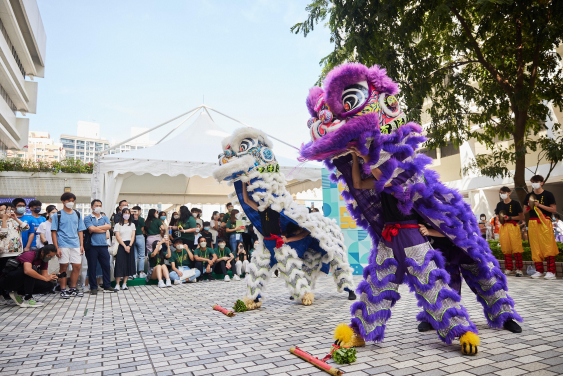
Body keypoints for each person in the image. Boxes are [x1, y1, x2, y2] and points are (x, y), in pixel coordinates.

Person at [51, 192, 86, 299]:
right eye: (68, 201)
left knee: (77, 266)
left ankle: (72, 288)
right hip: (63, 244)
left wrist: (81, 245)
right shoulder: (57, 215)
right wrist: (56, 248)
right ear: (63, 201)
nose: (71, 203)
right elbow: (54, 232)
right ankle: (62, 289)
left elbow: (80, 230)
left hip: (75, 244)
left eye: (72, 201)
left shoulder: (77, 214)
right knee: (63, 267)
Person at [523, 175, 559, 280]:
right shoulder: (529, 195)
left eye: (537, 181)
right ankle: (539, 270)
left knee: (548, 246)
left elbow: (553, 210)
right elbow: (525, 211)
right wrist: (531, 205)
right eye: (533, 182)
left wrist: (539, 205)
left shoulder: (548, 194)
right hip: (533, 222)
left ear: (542, 182)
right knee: (535, 246)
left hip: (545, 221)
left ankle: (551, 271)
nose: (535, 183)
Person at [84, 199, 116, 294]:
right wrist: (102, 228)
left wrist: (95, 228)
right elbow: (90, 228)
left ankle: (107, 285)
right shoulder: (87, 218)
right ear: (92, 207)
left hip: (103, 245)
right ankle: (93, 287)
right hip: (92, 246)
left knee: (106, 266)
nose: (98, 207)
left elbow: (109, 227)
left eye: (100, 205)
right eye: (96, 205)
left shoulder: (105, 218)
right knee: (92, 267)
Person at [495, 186, 525, 277]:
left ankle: (519, 269)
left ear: (509, 193)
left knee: (516, 247)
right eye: (501, 193)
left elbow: (521, 217)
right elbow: (497, 216)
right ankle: (509, 268)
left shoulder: (515, 203)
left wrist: (510, 218)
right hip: (503, 227)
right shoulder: (499, 205)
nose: (502, 194)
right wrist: (501, 218)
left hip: (513, 226)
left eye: (504, 192)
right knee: (505, 248)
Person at [113, 208, 136, 290]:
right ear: (122, 214)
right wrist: (124, 246)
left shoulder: (132, 225)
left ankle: (125, 283)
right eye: (125, 213)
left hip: (130, 245)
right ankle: (117, 284)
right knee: (119, 264)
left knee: (128, 263)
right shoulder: (118, 224)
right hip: (121, 245)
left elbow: (133, 236)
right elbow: (118, 236)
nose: (127, 214)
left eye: (128, 213)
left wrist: (129, 245)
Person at [131, 206, 146, 279]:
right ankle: (141, 273)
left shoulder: (129, 219)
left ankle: (134, 273)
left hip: (132, 237)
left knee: (134, 256)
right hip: (140, 236)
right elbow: (143, 229)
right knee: (142, 256)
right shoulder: (141, 219)